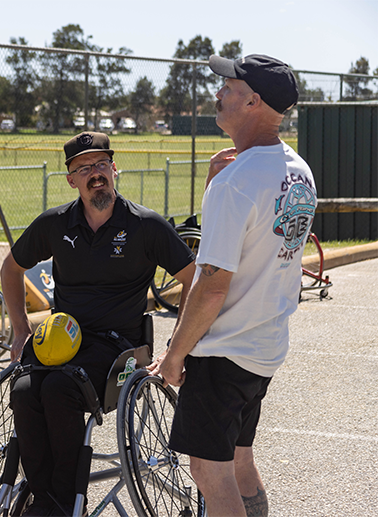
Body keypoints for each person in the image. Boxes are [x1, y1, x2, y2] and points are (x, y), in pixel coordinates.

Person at [0, 131, 196, 516]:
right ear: (71, 179)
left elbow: (194, 278)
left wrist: (178, 346)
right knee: (23, 390)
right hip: (64, 341)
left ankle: (64, 502)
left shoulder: (146, 226)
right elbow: (11, 268)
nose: (96, 174)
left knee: (58, 388)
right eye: (84, 168)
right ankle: (44, 498)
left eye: (101, 164)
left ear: (114, 169)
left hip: (120, 349)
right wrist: (20, 329)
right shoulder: (55, 224)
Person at [156, 54, 317, 517]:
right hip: (265, 346)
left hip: (224, 352)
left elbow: (211, 287)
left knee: (210, 473)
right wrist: (216, 186)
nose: (218, 92)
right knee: (240, 461)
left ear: (253, 100)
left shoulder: (237, 183)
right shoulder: (297, 171)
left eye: (227, 85)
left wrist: (175, 355)